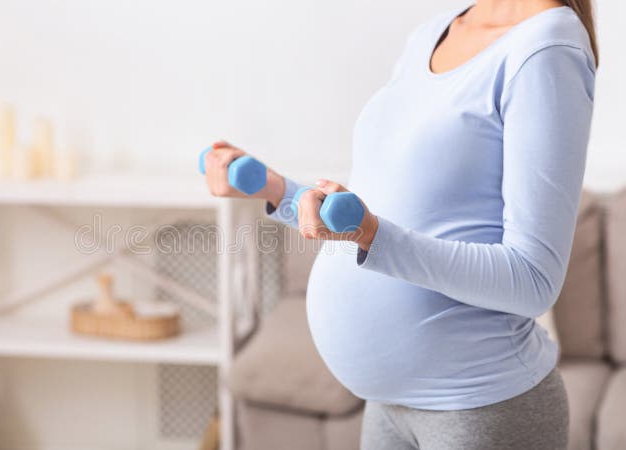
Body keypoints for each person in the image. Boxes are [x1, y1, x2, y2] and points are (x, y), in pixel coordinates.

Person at [201, 1, 598, 448]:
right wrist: (274, 190)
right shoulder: (436, 31)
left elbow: (533, 280)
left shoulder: (546, 48)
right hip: (388, 410)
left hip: (480, 411)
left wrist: (372, 235)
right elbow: (377, 220)